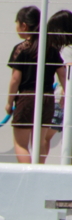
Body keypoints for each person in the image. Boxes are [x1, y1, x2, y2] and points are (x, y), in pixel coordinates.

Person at [7, 6, 66, 163]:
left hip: (26, 98)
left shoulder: (21, 49)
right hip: (47, 98)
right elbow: (62, 73)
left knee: (21, 144)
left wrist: (9, 102)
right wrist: (66, 93)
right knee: (39, 143)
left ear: (24, 26)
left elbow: (15, 79)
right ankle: (39, 174)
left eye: (17, 23)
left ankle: (28, 177)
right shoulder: (51, 48)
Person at [44, 10, 72, 150]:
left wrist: (65, 93)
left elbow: (68, 72)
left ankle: (38, 167)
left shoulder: (65, 50)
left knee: (43, 136)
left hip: (62, 99)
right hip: (65, 97)